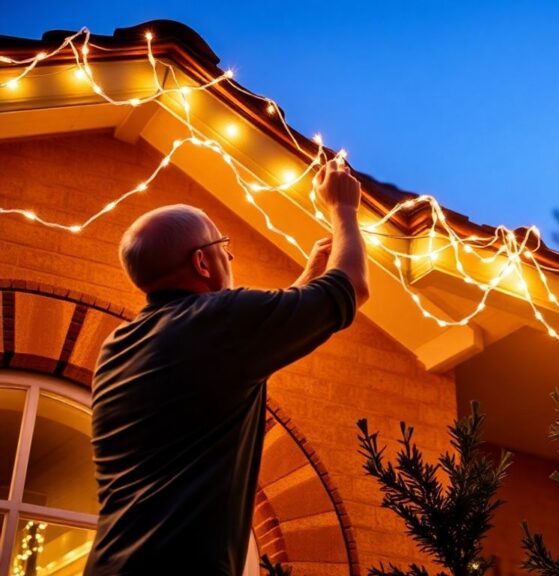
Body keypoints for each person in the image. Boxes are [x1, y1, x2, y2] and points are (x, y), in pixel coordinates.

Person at [84, 158, 369, 575]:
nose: (231, 254)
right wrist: (343, 208)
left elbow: (238, 346)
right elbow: (352, 286)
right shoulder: (217, 323)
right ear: (202, 263)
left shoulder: (119, 346)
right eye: (223, 246)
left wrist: (306, 278)